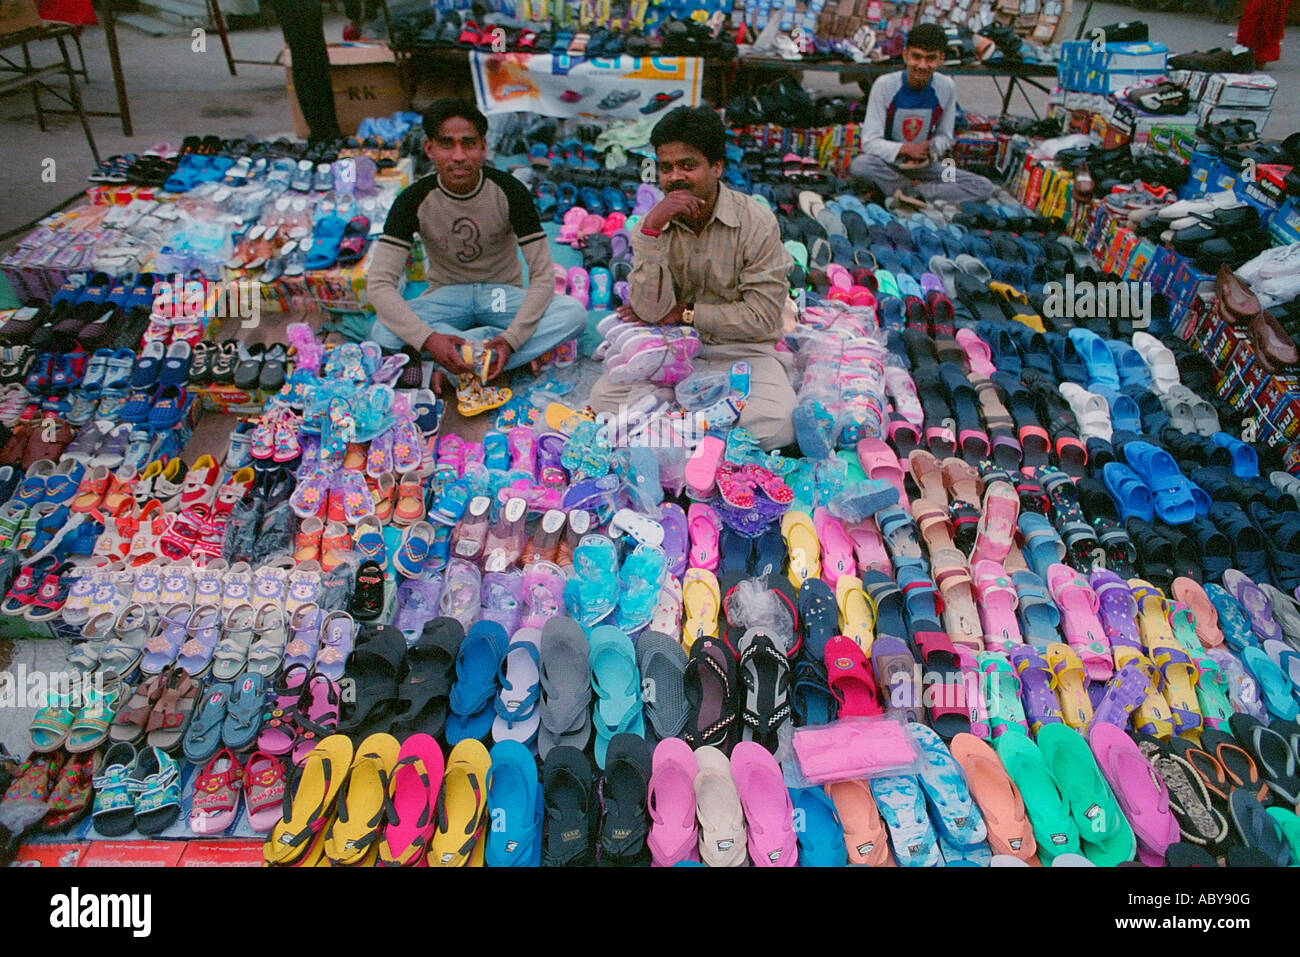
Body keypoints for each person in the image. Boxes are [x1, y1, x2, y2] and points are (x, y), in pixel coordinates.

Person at [586, 106, 797, 451]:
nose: (674, 178)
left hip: (741, 350)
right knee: (605, 401)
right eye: (666, 168)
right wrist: (651, 231)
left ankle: (670, 430)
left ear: (717, 167)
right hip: (672, 348)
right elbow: (652, 312)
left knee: (778, 425)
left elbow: (761, 318)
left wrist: (685, 312)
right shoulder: (653, 224)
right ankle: (705, 429)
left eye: (687, 165)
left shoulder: (756, 222)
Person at [368, 99, 588, 391]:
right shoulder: (413, 199)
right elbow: (379, 283)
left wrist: (511, 339)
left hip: (499, 296)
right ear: (429, 149)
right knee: (380, 330)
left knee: (573, 313)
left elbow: (543, 274)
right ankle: (496, 353)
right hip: (448, 297)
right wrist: (429, 339)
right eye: (447, 144)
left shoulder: (509, 191)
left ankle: (458, 365)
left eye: (468, 144)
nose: (458, 156)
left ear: (483, 147)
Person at [849, 22, 994, 206]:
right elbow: (870, 142)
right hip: (889, 164)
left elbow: (945, 137)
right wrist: (905, 149)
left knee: (982, 186)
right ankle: (911, 189)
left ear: (941, 58)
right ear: (905, 55)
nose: (922, 65)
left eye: (930, 58)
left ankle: (915, 192)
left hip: (926, 166)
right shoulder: (884, 85)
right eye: (916, 57)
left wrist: (930, 149)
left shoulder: (946, 87)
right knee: (860, 166)